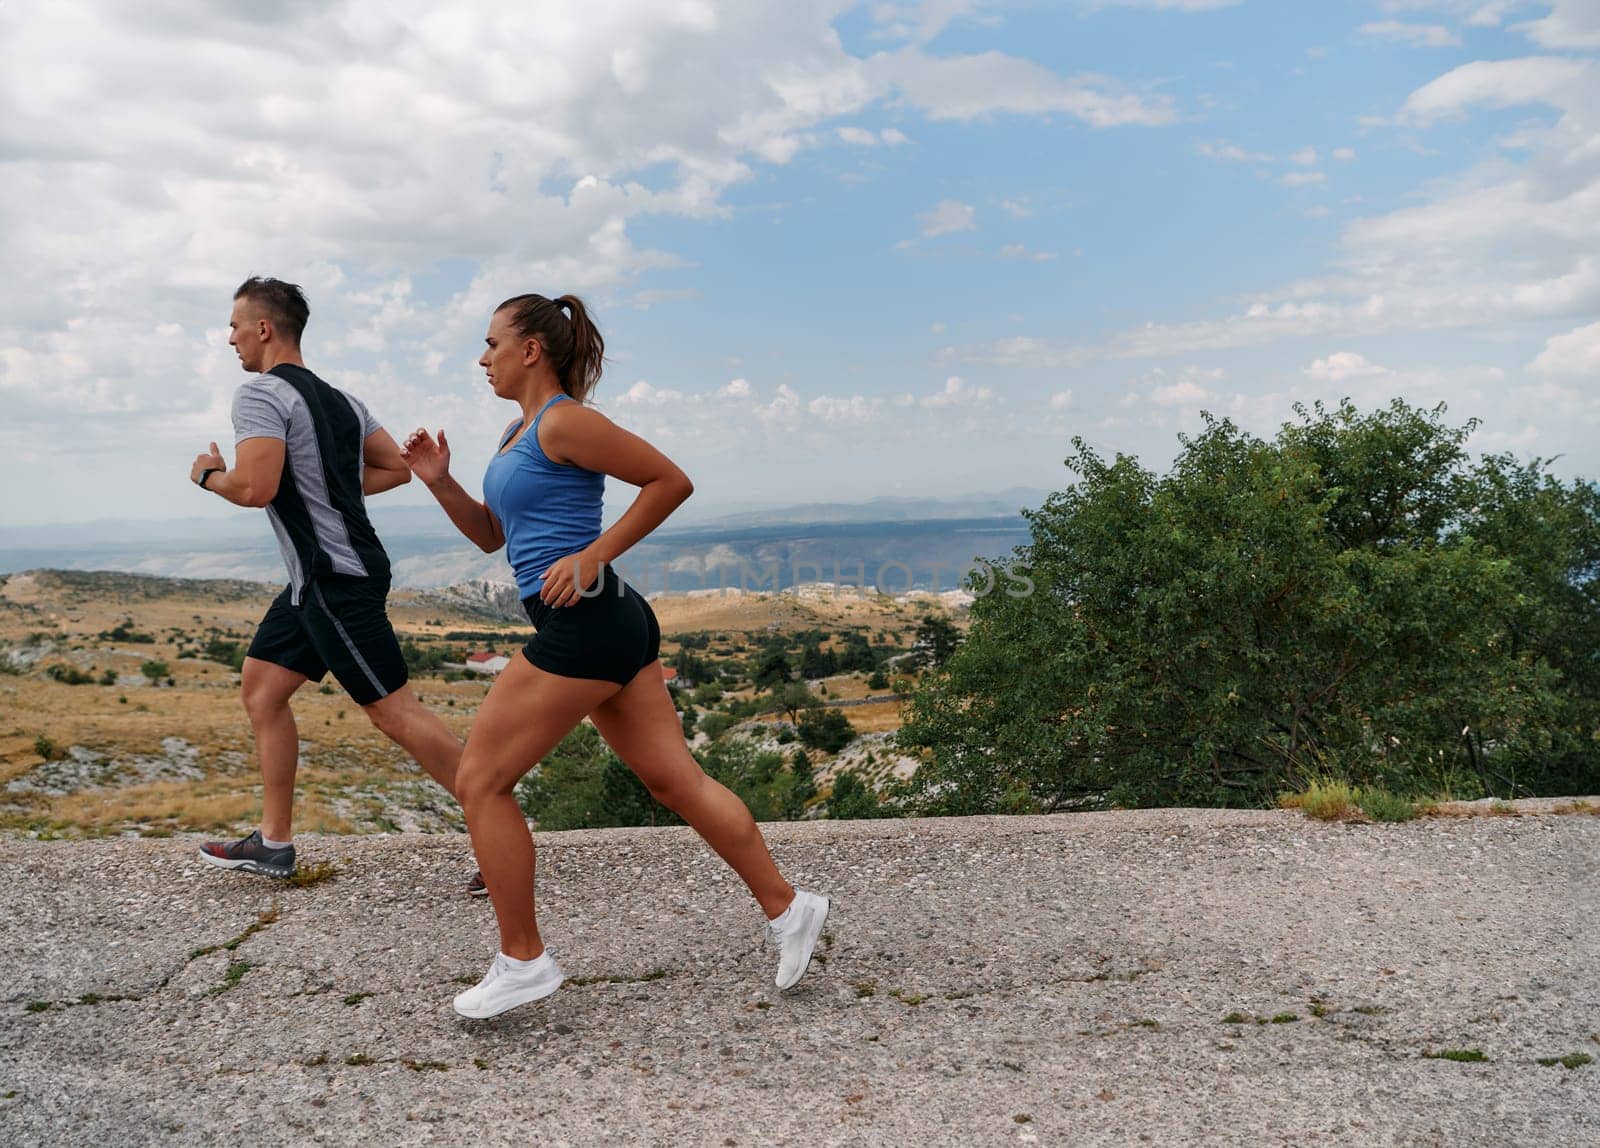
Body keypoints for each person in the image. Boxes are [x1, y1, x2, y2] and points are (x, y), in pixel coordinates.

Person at [401, 292, 829, 1019]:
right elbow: (490, 537)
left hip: (586, 625)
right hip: (610, 623)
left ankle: (523, 960)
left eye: (491, 343)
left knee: (479, 780)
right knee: (676, 781)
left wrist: (595, 553)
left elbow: (671, 481)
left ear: (531, 350)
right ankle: (790, 910)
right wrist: (440, 480)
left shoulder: (567, 422)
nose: (483, 358)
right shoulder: (519, 430)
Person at [189, 276, 484, 895]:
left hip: (334, 580)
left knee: (394, 712)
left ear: (264, 329)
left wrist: (210, 474)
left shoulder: (259, 395)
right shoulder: (343, 401)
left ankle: (498, 827)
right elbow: (396, 469)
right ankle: (272, 845)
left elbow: (254, 488)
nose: (230, 339)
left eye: (236, 326)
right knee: (263, 688)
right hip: (316, 581)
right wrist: (323, 482)